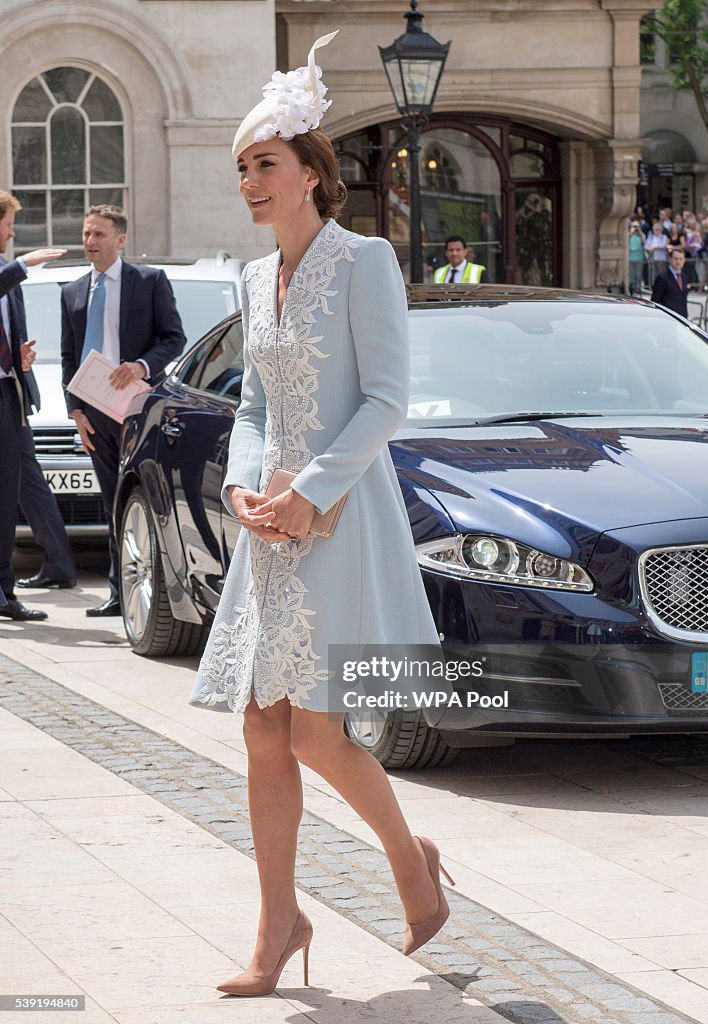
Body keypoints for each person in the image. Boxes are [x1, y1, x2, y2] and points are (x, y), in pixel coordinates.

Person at [188, 31, 454, 997]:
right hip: (269, 527)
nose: (250, 183)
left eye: (265, 164)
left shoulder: (365, 260)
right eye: (242, 169)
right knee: (263, 729)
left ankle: (409, 861)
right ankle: (279, 924)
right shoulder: (256, 280)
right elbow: (254, 404)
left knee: (314, 732)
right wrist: (241, 486)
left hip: (337, 521)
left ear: (310, 172)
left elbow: (385, 399)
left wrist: (310, 492)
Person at [60, 205, 186, 616]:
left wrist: (141, 365)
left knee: (138, 495)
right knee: (112, 497)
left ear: (120, 239)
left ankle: (151, 584)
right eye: (86, 234)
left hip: (137, 408)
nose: (90, 242)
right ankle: (118, 591)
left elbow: (174, 337)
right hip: (94, 413)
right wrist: (75, 411)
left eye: (98, 234)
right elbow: (68, 357)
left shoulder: (148, 281)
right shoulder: (73, 291)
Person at [0, 191, 68, 620]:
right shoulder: (10, 273)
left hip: (9, 395)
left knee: (8, 499)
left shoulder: (9, 281)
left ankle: (4, 592)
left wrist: (18, 356)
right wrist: (25, 264)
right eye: (7, 223)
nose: (10, 233)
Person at [651, 247, 689, 318]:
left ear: (684, 260)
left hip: (682, 319)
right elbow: (655, 301)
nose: (678, 262)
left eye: (681, 259)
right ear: (670, 259)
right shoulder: (662, 278)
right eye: (675, 259)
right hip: (668, 319)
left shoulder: (685, 277)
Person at [628, 219, 646, 295]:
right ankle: (631, 291)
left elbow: (645, 242)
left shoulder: (641, 235)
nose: (635, 228)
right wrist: (631, 233)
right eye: (634, 226)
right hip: (630, 258)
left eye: (637, 226)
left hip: (639, 258)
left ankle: (637, 291)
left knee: (638, 276)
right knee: (631, 276)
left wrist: (640, 231)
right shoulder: (629, 235)